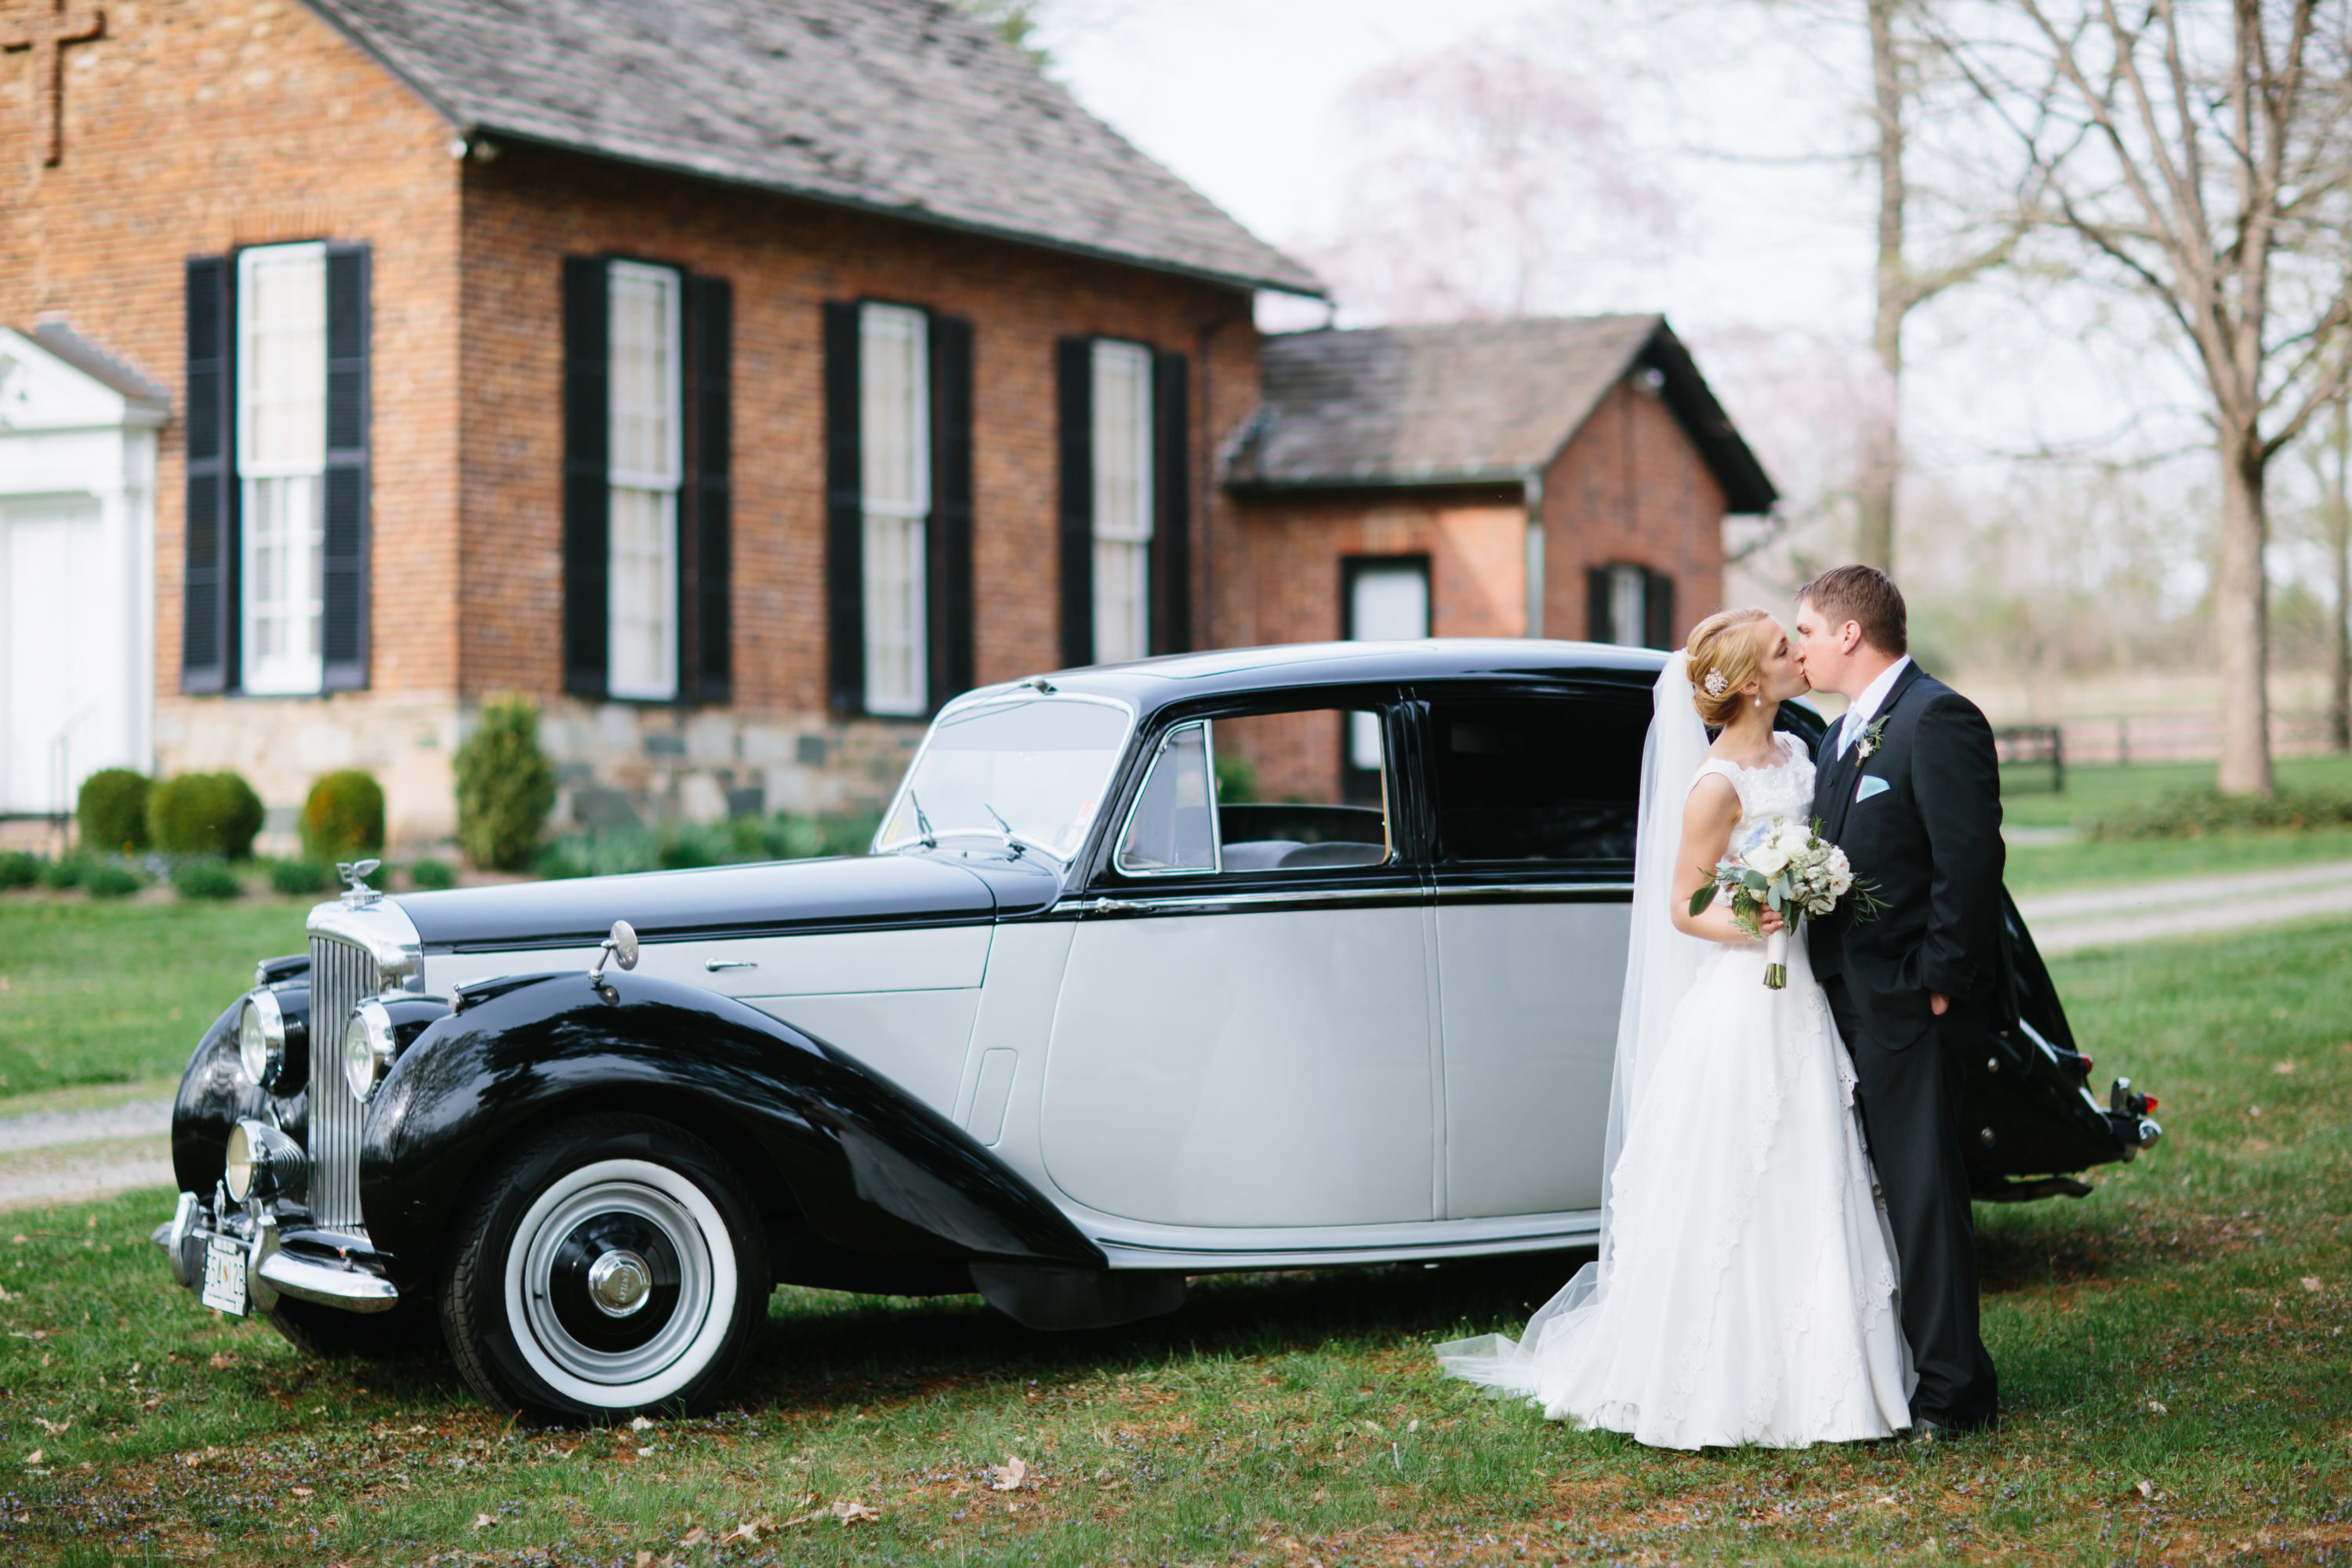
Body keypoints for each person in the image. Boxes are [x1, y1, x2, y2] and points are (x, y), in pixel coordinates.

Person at [1435, 608, 1913, 1450]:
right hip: (1747, 992)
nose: (1797, 653)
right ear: (1753, 683)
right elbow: (1686, 905)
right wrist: (1768, 919)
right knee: (1739, 1165)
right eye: (1780, 649)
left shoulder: (1800, 752)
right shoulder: (1716, 783)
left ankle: (1826, 1367)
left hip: (1801, 992)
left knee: (1813, 1155)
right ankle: (1711, 1377)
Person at [1793, 565, 2004, 1434]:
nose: (1796, 645)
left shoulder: (1936, 718)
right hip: (1835, 998)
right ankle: (1901, 1360)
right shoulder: (1843, 733)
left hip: (1908, 1004)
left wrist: (1941, 983)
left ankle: (1956, 1390)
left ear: (1849, 633)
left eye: (1805, 629)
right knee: (1870, 1188)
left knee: (1922, 1190)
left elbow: (1970, 866)